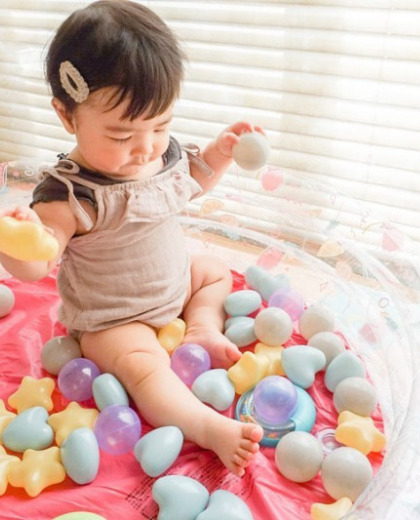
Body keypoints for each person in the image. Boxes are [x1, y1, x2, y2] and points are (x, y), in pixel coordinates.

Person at [0, 0, 264, 476]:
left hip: (176, 286)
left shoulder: (160, 157)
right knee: (144, 368)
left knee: (213, 272)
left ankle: (201, 325)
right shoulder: (70, 195)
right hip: (114, 320)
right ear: (67, 115)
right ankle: (206, 426)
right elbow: (39, 262)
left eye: (160, 125)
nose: (144, 148)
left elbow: (193, 179)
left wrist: (220, 153)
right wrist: (19, 241)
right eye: (121, 135)